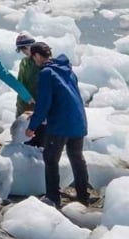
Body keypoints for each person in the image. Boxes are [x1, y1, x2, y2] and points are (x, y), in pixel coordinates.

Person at [23, 41, 91, 208]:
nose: (34, 61)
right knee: (77, 157)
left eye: (33, 57)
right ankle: (83, 195)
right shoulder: (68, 70)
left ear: (38, 55)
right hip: (78, 120)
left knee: (51, 158)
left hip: (61, 124)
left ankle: (53, 197)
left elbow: (44, 102)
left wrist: (33, 126)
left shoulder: (46, 73)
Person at [12, 33, 44, 147]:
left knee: (38, 142)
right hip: (23, 106)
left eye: (25, 48)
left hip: (37, 110)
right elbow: (20, 83)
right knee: (23, 143)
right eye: (22, 49)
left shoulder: (42, 64)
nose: (24, 51)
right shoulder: (24, 63)